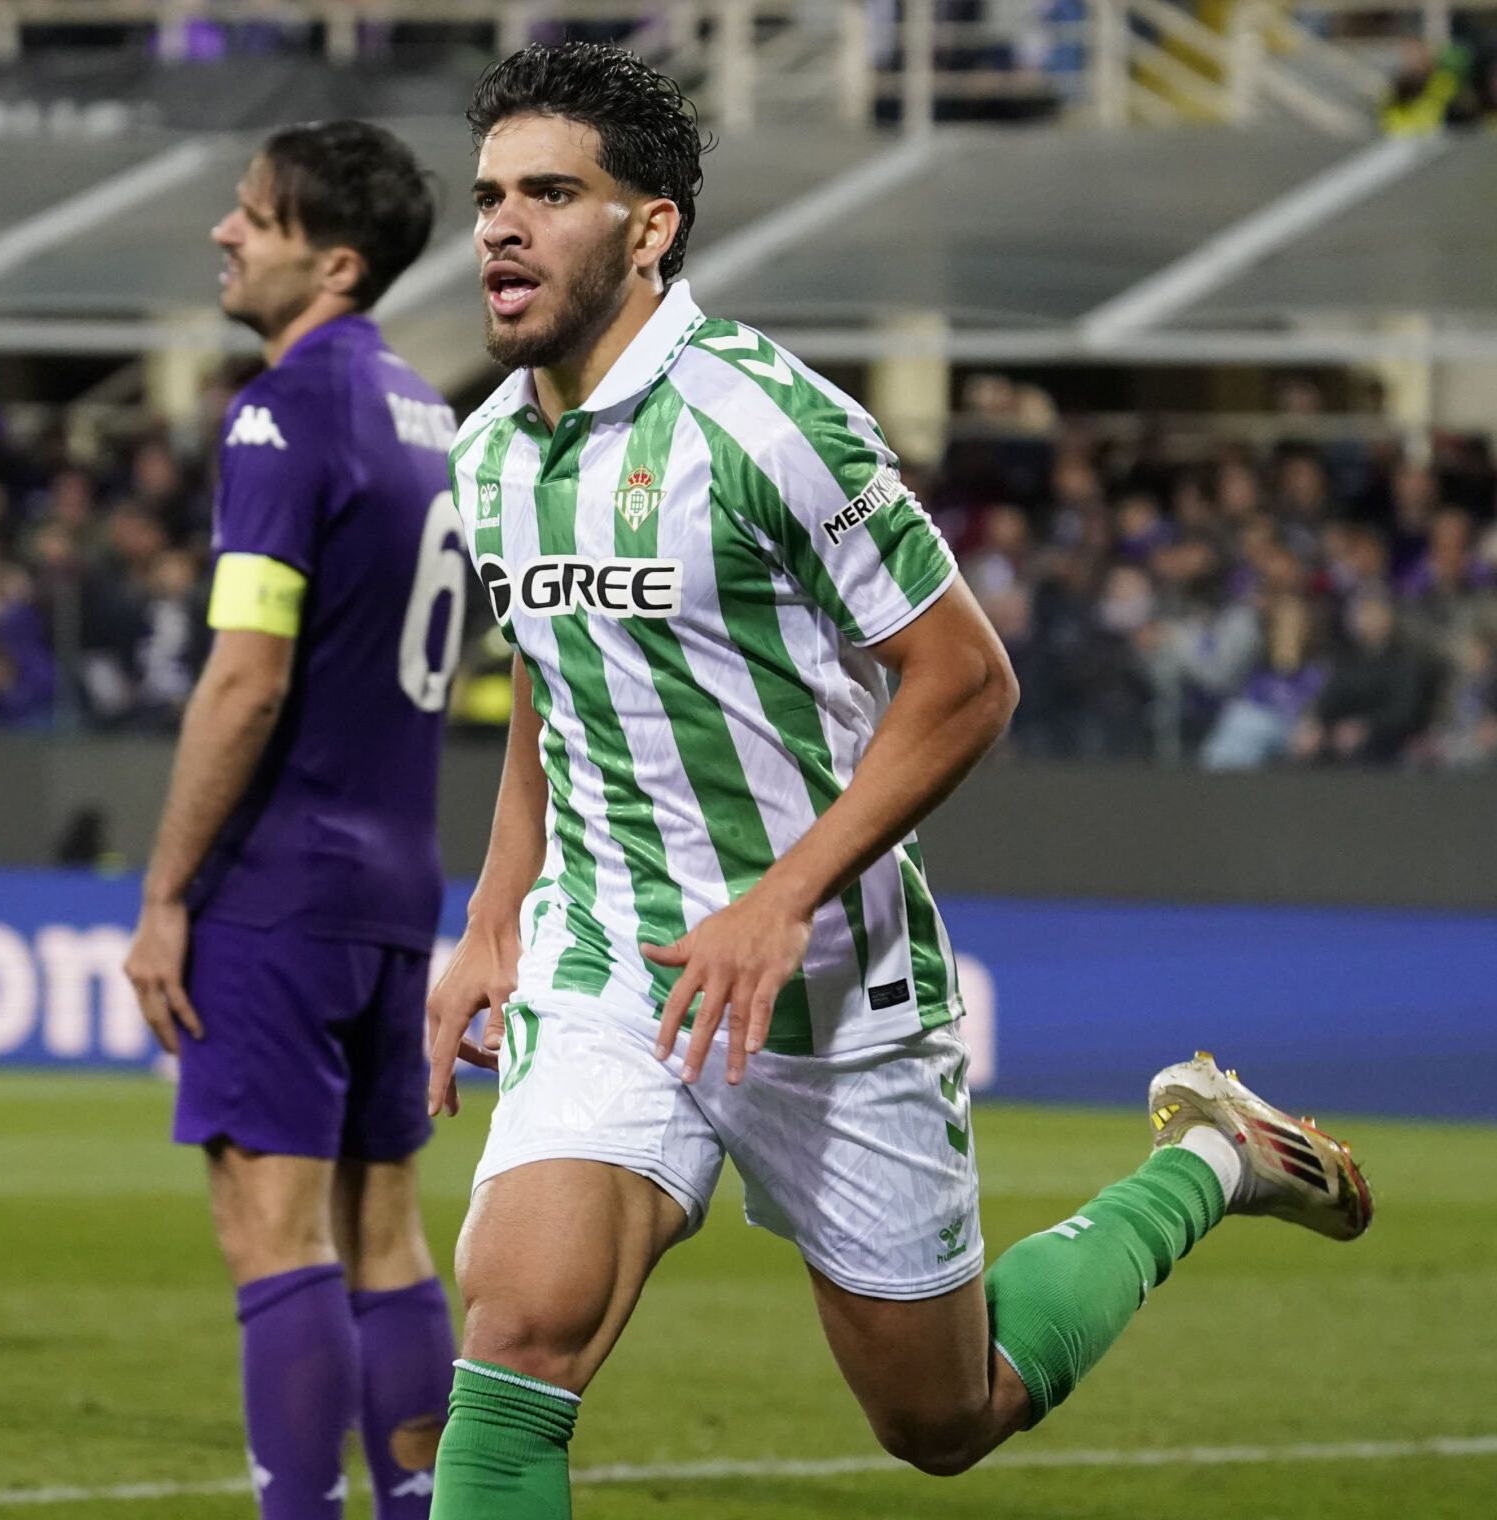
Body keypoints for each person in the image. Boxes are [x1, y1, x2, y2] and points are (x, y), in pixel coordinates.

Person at [423, 44, 1374, 1513]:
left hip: (828, 985)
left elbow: (966, 679)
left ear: (650, 225)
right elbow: (561, 687)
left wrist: (783, 900)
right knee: (514, 1337)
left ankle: (1216, 1166)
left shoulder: (765, 423)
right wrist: (495, 917)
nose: (501, 222)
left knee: (943, 1414)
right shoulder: (486, 454)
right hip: (616, 961)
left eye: (550, 192)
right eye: (490, 194)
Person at [123, 119, 469, 1520]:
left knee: (268, 1230)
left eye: (253, 218)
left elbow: (246, 676)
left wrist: (164, 893)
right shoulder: (425, 408)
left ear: (332, 261)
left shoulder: (281, 410)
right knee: (382, 1230)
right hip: (394, 889)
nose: (223, 231)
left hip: (279, 883)